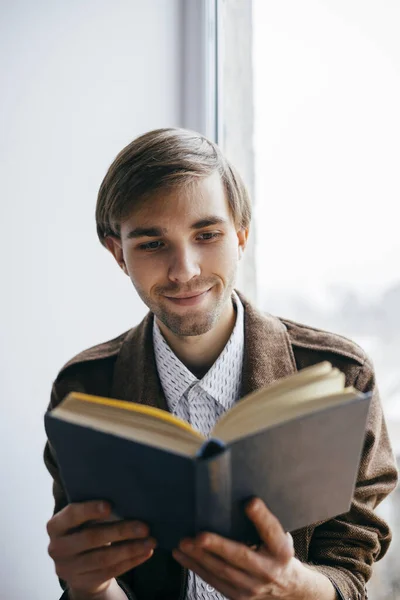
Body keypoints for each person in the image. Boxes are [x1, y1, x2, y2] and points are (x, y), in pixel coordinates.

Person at [44, 128, 398, 600]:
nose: (184, 269)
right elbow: (91, 576)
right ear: (118, 254)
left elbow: (350, 577)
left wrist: (290, 586)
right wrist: (90, 587)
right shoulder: (83, 392)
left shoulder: (340, 379)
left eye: (207, 234)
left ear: (241, 236)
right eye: (151, 244)